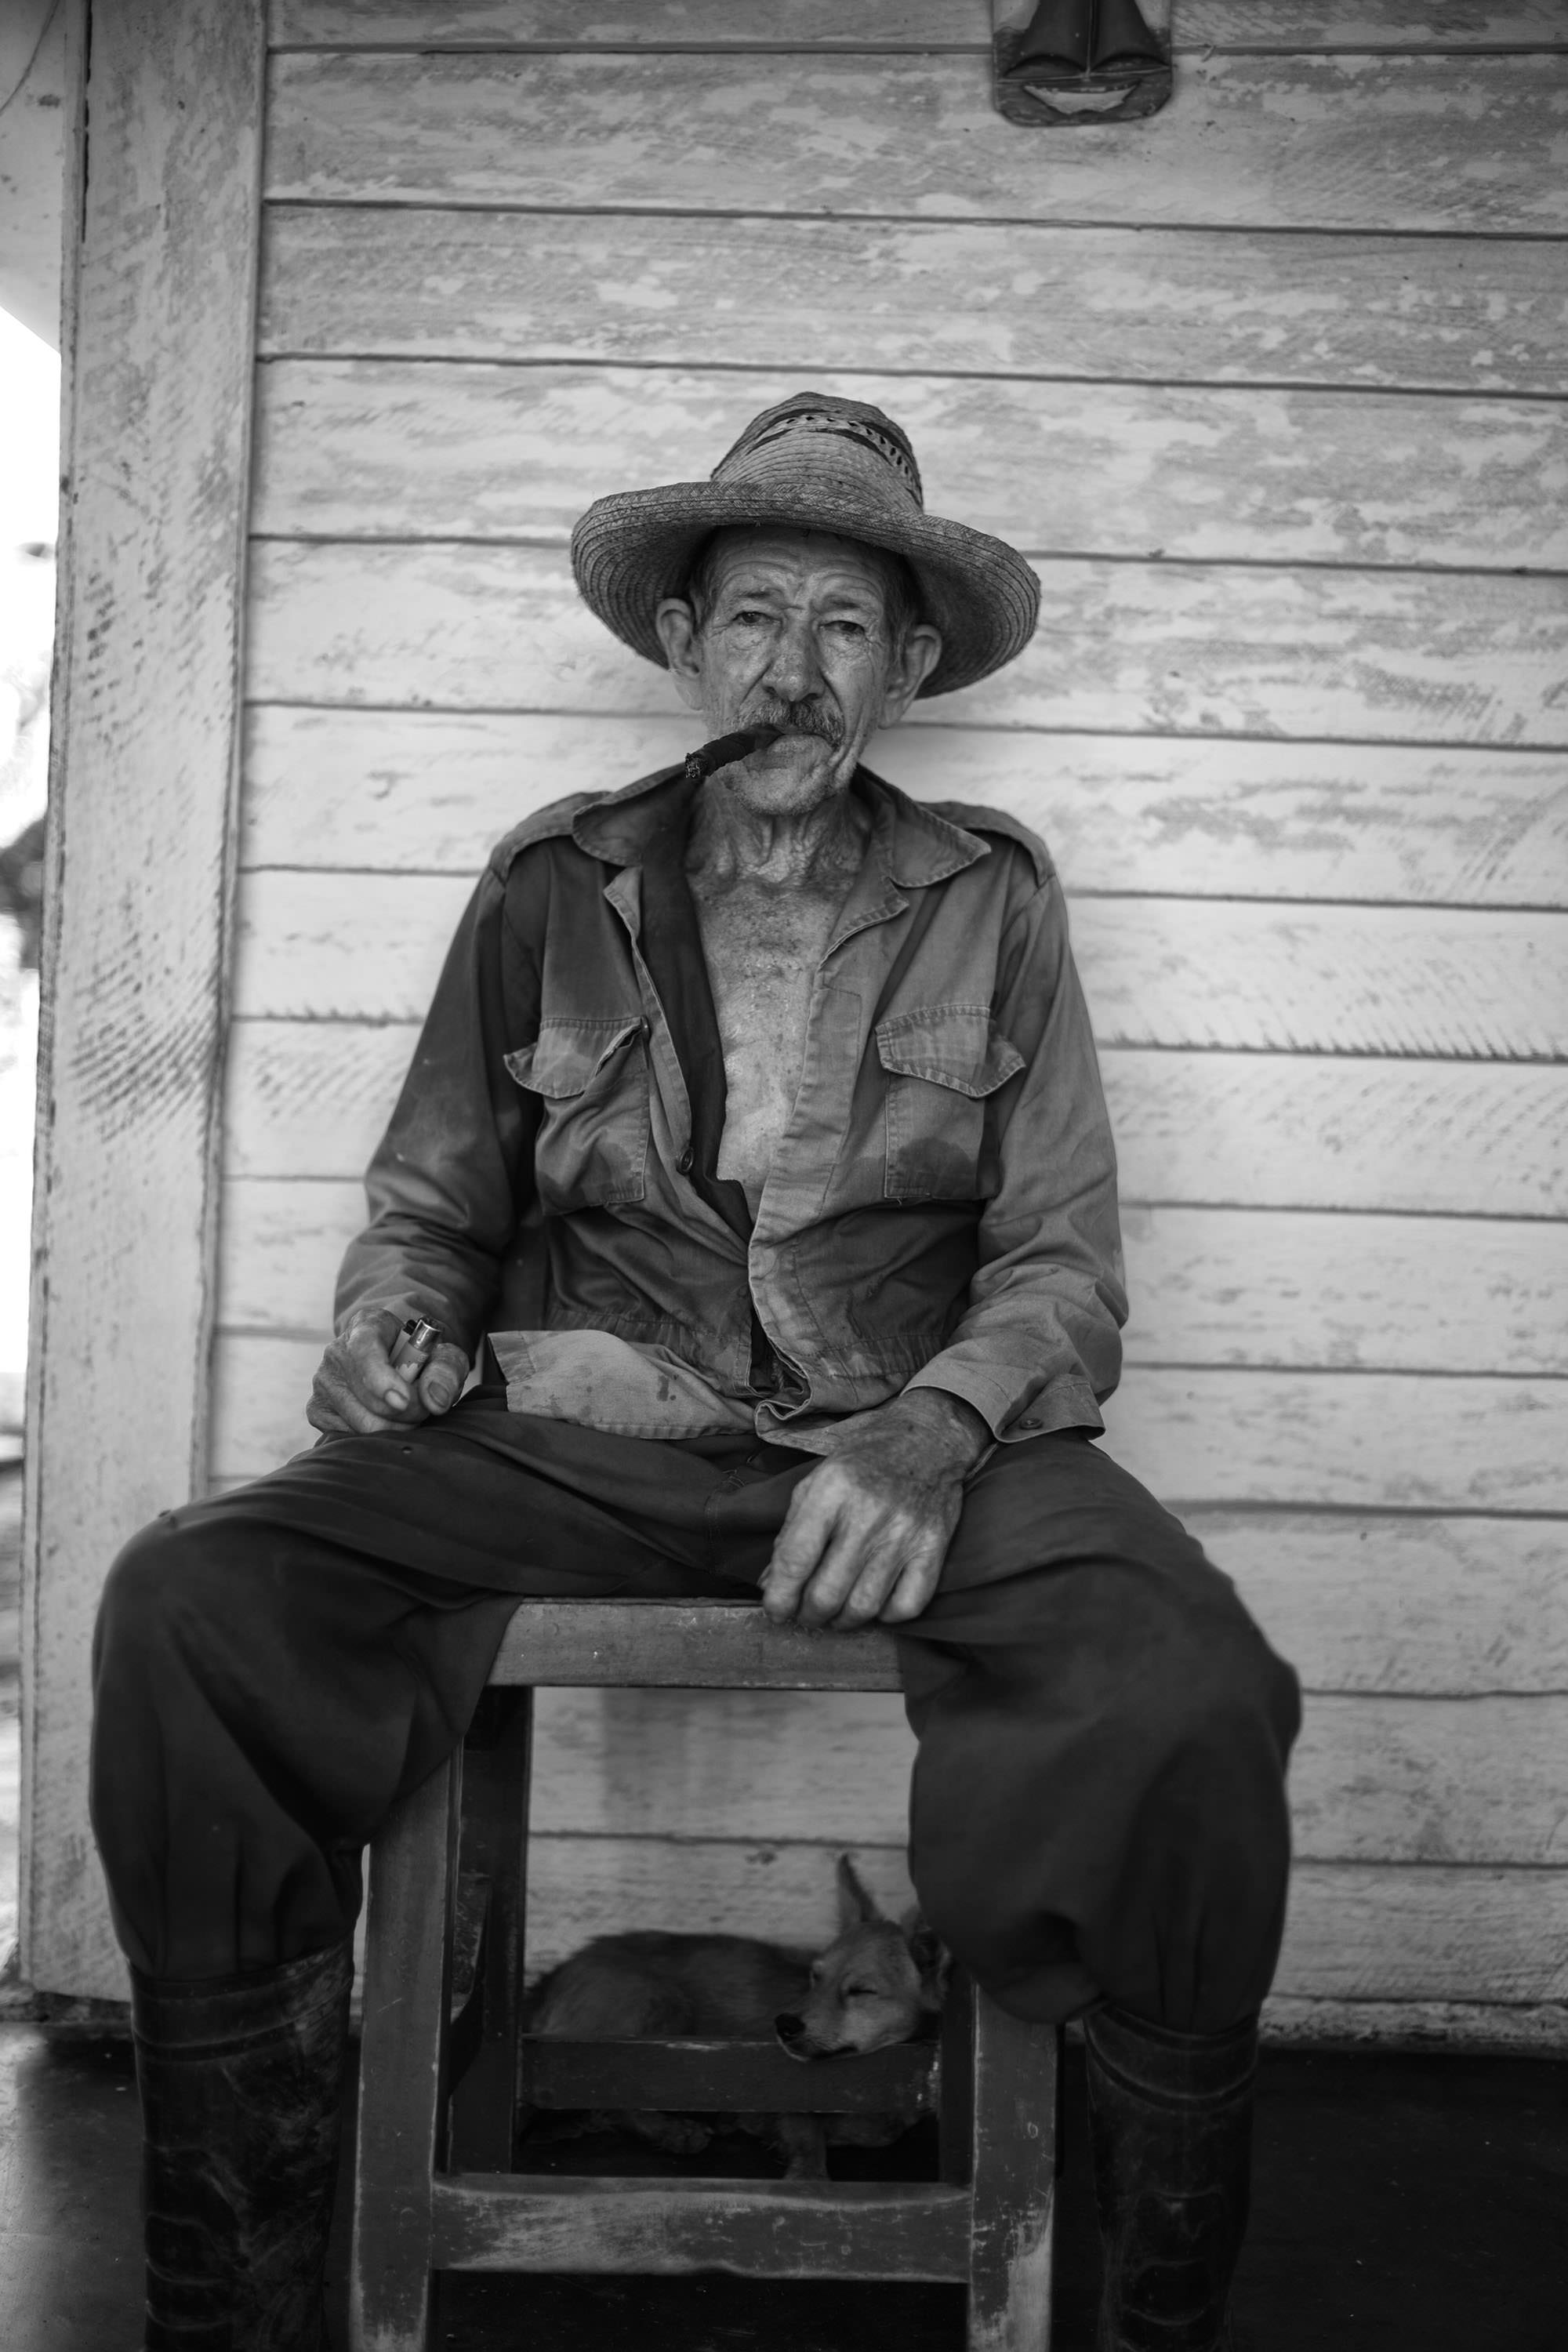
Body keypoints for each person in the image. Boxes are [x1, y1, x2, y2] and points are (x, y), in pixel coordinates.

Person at [91, 391, 1300, 2351]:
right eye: (751, 617)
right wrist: (389, 1318)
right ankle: (226, 2306)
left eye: (841, 624)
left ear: (907, 666)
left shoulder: (989, 892)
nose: (789, 669)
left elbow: (1060, 1259)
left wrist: (929, 1429)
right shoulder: (552, 881)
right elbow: (431, 1194)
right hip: (586, 1421)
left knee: (1189, 1684)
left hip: (910, 1431)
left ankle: (1132, 2320)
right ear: (681, 644)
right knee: (193, 1599)